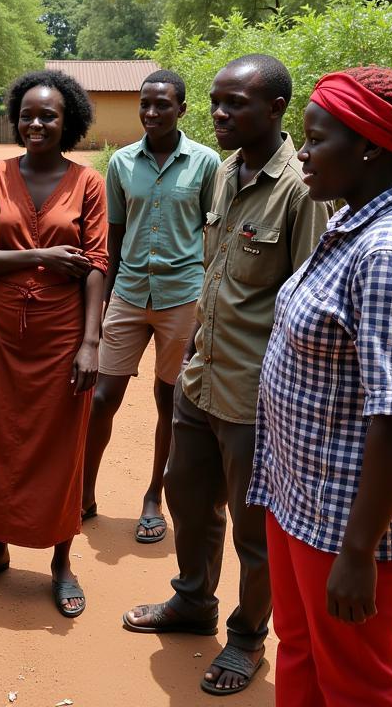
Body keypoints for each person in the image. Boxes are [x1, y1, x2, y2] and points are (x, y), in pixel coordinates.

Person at [123, 54, 331, 697]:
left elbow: (311, 304)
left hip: (256, 397)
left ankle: (246, 637)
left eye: (234, 104)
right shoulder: (224, 173)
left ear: (274, 109)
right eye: (215, 101)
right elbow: (216, 274)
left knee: (253, 528)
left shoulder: (301, 190)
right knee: (187, 496)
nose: (219, 113)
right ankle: (193, 601)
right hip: (201, 379)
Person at [249, 67, 392, 707]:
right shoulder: (352, 223)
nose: (301, 154)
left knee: (358, 681)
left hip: (346, 519)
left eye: (314, 140)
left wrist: (359, 552)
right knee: (301, 646)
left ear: (367, 146)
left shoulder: (389, 252)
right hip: (304, 495)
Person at [0, 69, 108, 617]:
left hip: (64, 332)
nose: (36, 123)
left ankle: (62, 560)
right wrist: (37, 257)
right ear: (16, 117)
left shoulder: (88, 183)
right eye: (28, 114)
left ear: (69, 123)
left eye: (49, 116)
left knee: (63, 440)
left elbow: (96, 266)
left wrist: (91, 343)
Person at [82, 69, 219, 542]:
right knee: (102, 397)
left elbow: (214, 233)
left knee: (171, 401)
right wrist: (102, 304)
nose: (151, 112)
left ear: (182, 109)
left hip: (183, 295)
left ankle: (152, 498)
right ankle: (83, 492)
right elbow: (114, 234)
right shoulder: (121, 163)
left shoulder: (205, 163)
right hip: (129, 292)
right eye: (145, 104)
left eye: (162, 105)